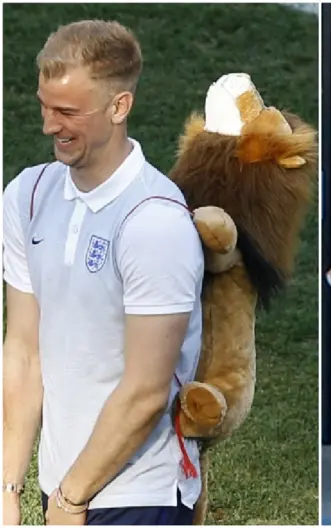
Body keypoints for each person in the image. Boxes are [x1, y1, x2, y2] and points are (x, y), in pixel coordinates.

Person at [2, 20, 205, 525]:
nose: (50, 125)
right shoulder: (26, 197)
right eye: (45, 106)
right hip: (61, 489)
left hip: (141, 494)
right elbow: (23, 353)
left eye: (68, 112)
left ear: (120, 107)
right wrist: (8, 487)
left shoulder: (155, 223)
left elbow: (145, 391)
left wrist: (72, 499)